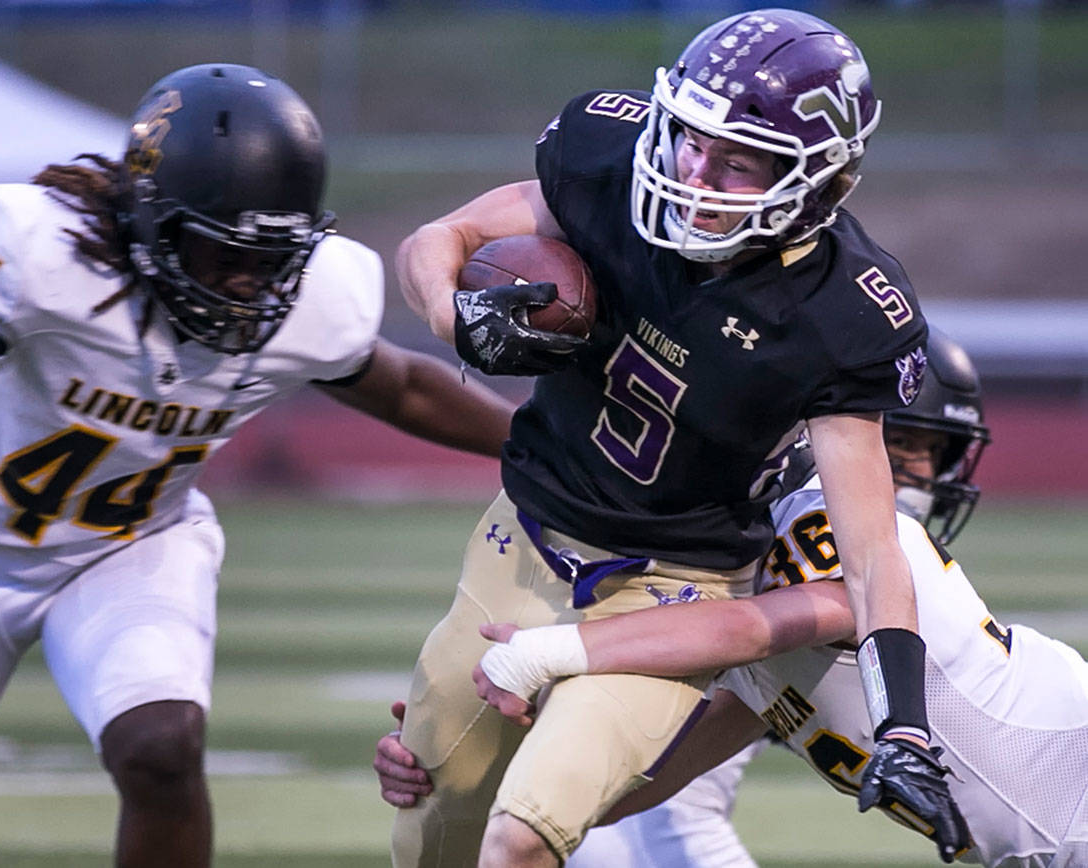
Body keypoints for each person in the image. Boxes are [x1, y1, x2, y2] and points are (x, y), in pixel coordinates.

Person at [0, 63, 516, 868]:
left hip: (129, 546)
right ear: (152, 223)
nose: (249, 283)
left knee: (163, 745)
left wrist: (534, 446)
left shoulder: (310, 299)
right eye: (223, 252)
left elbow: (403, 386)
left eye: (272, 257)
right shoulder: (53, 261)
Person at [390, 8, 961, 866]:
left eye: (737, 161)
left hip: (676, 588)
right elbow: (441, 239)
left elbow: (873, 550)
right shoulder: (611, 160)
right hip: (519, 541)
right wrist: (452, 316)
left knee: (522, 837)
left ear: (821, 183)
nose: (694, 172)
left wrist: (904, 727)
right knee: (431, 824)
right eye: (692, 139)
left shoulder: (843, 314)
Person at [386, 332, 1088, 866]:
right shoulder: (728, 580)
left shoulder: (830, 527)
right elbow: (638, 786)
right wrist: (462, 756)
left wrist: (553, 650)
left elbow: (767, 625)